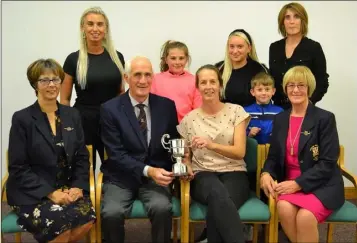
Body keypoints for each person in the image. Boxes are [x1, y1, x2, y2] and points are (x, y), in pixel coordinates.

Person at [6, 59, 96, 243]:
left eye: (55, 79)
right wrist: (51, 193)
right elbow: (18, 167)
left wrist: (78, 186)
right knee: (59, 226)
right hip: (33, 193)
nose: (51, 85)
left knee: (88, 218)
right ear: (34, 84)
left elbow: (81, 156)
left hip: (68, 188)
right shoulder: (22, 119)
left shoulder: (72, 115)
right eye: (44, 80)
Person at [100, 56, 180, 243]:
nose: (143, 81)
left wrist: (182, 162)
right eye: (137, 75)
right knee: (111, 213)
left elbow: (174, 142)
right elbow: (116, 155)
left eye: (147, 75)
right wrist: (148, 170)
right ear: (126, 78)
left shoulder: (167, 106)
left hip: (156, 179)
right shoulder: (110, 109)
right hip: (121, 177)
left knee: (162, 208)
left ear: (153, 78)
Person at [260, 66, 344, 243]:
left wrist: (298, 184)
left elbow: (328, 163)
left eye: (301, 85)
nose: (295, 90)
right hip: (289, 183)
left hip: (322, 184)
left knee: (305, 217)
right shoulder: (281, 119)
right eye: (291, 85)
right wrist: (266, 173)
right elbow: (274, 156)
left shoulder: (325, 118)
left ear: (309, 88)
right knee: (283, 206)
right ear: (285, 88)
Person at [177, 64, 251, 243]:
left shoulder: (236, 112)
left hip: (235, 172)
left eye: (212, 81)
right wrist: (185, 165)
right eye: (203, 82)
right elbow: (184, 155)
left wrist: (211, 145)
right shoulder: (189, 119)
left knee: (219, 206)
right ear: (198, 87)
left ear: (220, 85)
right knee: (218, 195)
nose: (208, 86)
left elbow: (240, 152)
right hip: (203, 173)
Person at [60, 6, 125, 170]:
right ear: (83, 27)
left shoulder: (117, 57)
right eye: (90, 24)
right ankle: (86, 196)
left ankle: (109, 195)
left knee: (114, 169)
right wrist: (65, 125)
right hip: (83, 121)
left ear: (106, 28)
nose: (95, 29)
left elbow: (121, 93)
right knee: (84, 168)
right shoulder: (73, 59)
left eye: (100, 24)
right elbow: (65, 98)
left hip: (112, 120)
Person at [269, 2, 329, 109]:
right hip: (279, 110)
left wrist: (309, 102)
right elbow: (273, 80)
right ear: (282, 22)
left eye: (296, 17)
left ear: (303, 21)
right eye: (287, 17)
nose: (292, 21)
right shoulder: (274, 48)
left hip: (304, 108)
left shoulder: (313, 47)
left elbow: (322, 82)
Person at [151, 40, 202, 122]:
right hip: (161, 126)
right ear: (166, 60)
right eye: (173, 58)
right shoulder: (155, 79)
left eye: (181, 58)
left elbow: (198, 109)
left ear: (186, 59)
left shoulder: (194, 80)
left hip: (186, 127)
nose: (177, 62)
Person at [215, 29, 268, 107]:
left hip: (252, 117)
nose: (235, 51)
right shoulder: (218, 69)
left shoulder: (259, 70)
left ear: (249, 48)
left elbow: (266, 98)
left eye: (240, 47)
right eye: (232, 46)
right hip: (223, 117)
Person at [244, 72, 284, 144]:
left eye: (267, 89)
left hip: (273, 151)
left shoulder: (279, 111)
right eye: (259, 90)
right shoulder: (246, 112)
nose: (263, 93)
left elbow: (284, 132)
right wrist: (249, 134)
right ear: (252, 92)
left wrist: (277, 135)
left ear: (273, 91)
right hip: (253, 151)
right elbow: (239, 134)